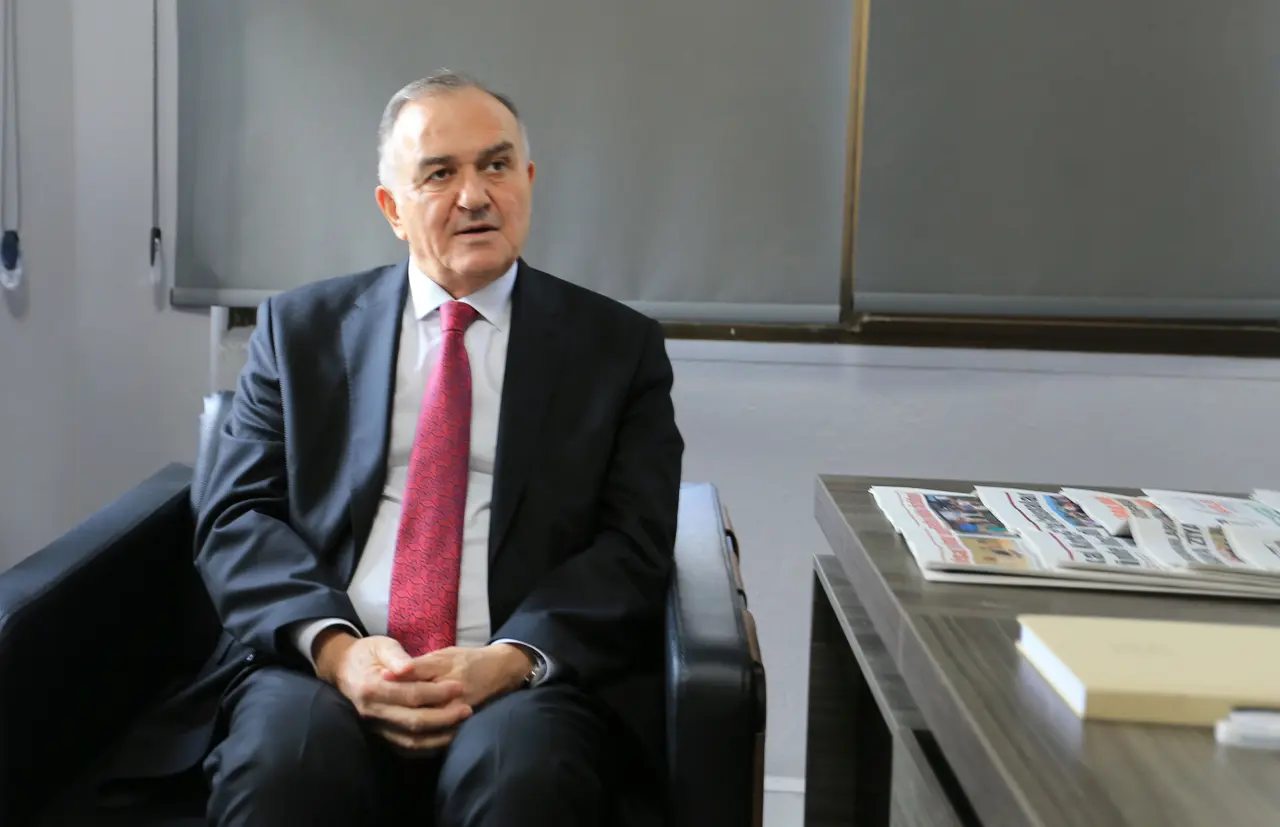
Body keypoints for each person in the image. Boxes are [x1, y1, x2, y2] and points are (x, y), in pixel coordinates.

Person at [104, 71, 684, 827]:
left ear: (529, 181)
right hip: (321, 663)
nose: (475, 195)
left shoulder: (617, 349)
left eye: (497, 165)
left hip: (518, 674)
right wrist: (339, 651)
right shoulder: (300, 330)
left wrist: (509, 659)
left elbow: (635, 542)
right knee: (287, 768)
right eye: (440, 174)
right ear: (392, 209)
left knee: (522, 781)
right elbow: (236, 517)